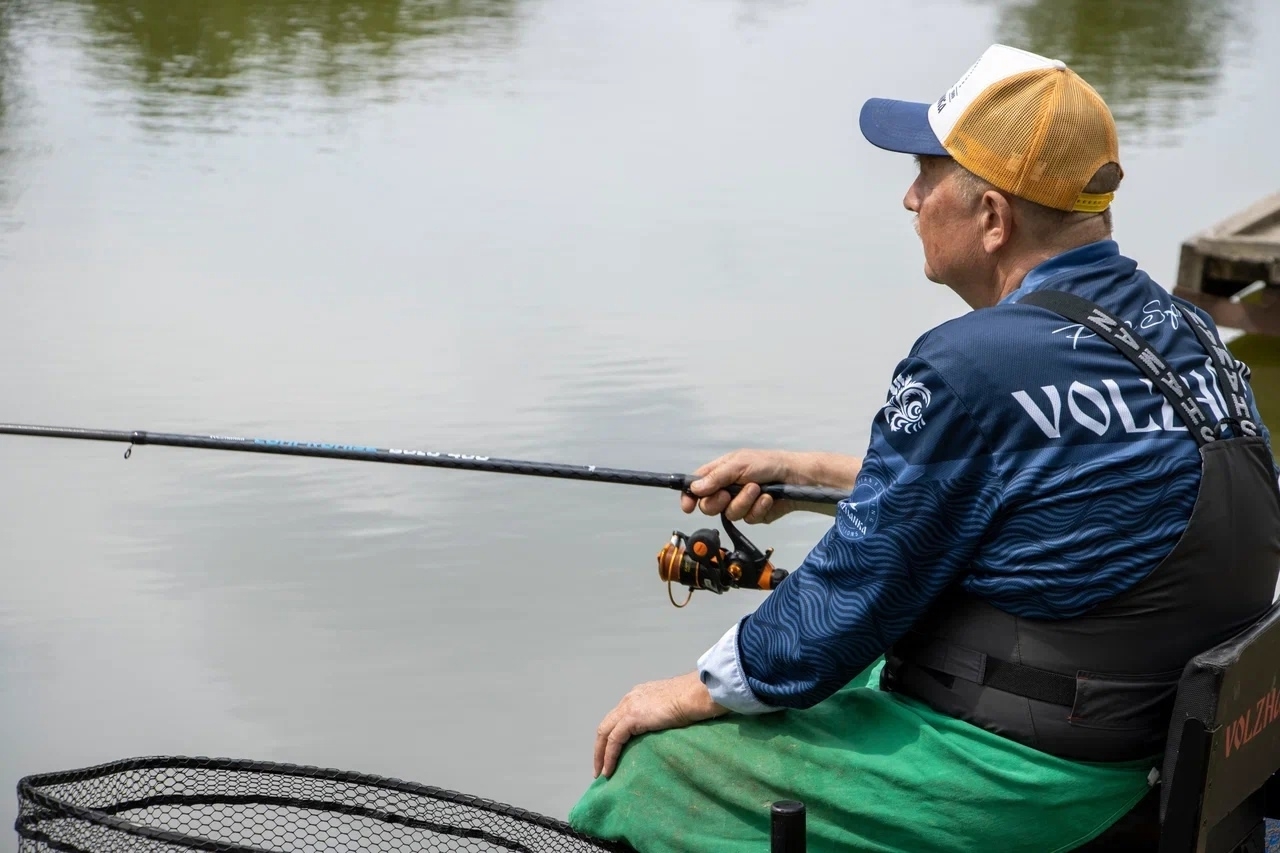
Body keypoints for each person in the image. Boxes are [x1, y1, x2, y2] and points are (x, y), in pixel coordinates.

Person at [567, 44, 1280, 853]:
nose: (910, 198)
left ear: (993, 219)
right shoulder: (1186, 332)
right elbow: (1066, 486)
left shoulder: (969, 361)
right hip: (1172, 739)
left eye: (926, 174)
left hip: (1047, 772)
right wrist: (807, 475)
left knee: (650, 773)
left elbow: (845, 600)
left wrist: (690, 690)